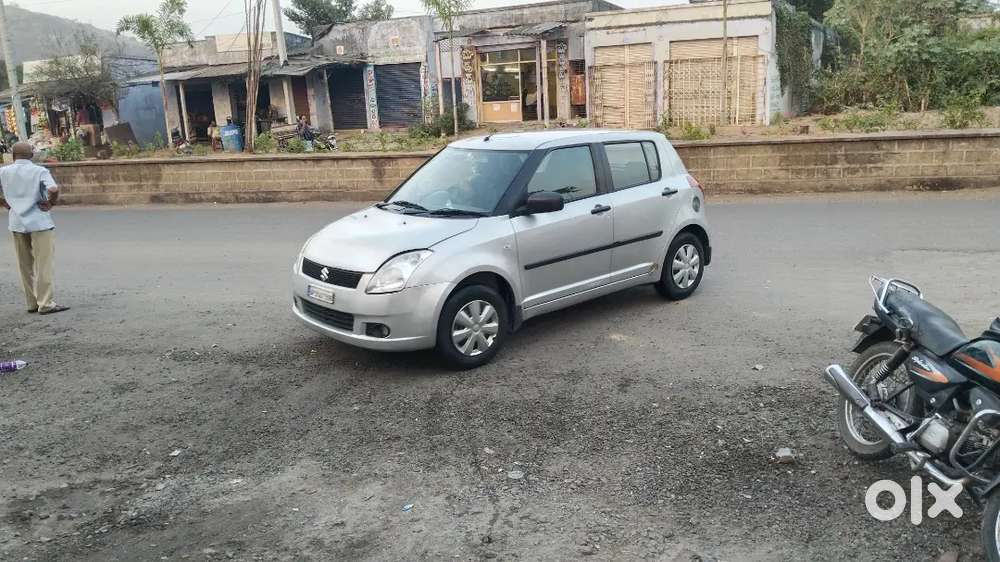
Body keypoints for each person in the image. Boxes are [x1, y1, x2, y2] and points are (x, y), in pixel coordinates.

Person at [0, 142, 69, 315]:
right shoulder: (39, 171)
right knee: (43, 263)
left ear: (14, 155)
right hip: (39, 221)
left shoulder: (4, 171)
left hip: (16, 221)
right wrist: (51, 202)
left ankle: (31, 302)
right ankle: (45, 303)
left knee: (24, 265)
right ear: (30, 154)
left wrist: (4, 202)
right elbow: (53, 188)